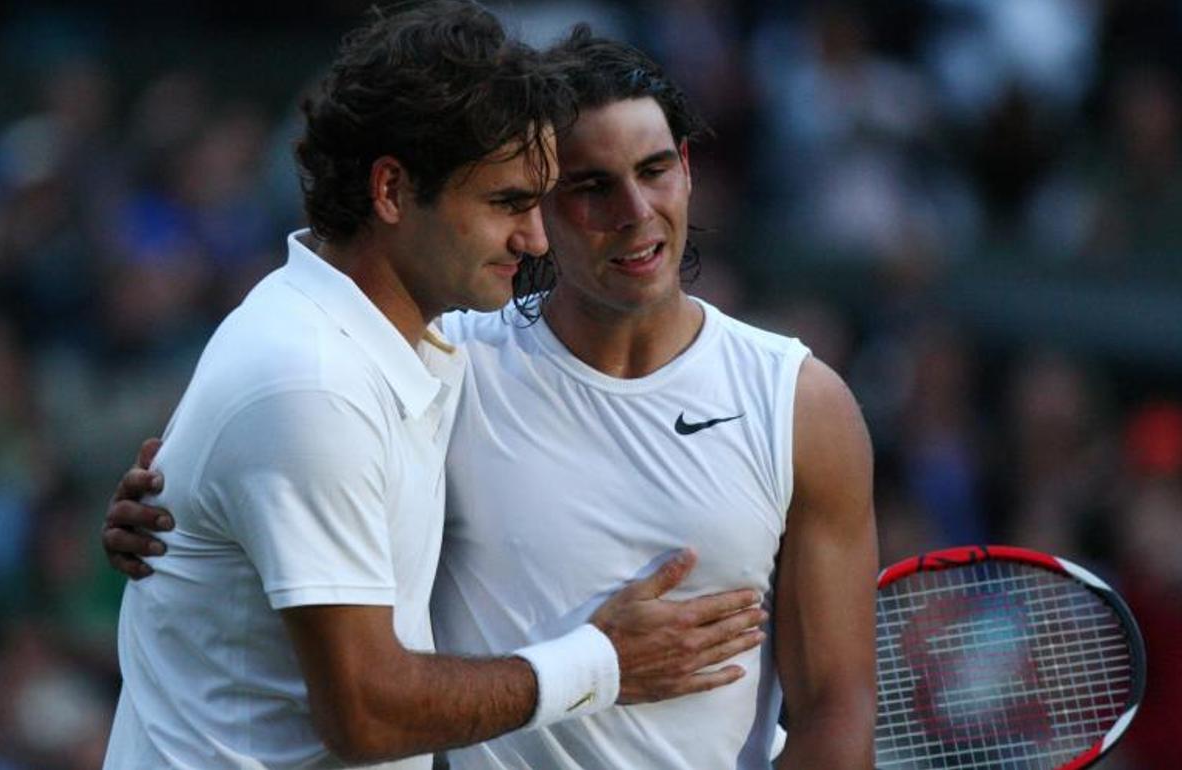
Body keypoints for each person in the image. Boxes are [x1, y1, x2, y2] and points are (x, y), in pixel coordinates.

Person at [105, 21, 878, 770]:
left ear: (686, 165)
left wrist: (183, 513)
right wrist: (169, 516)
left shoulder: (799, 404)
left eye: (653, 171)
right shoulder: (437, 362)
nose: (636, 213)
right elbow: (275, 429)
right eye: (585, 188)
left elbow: (837, 716)